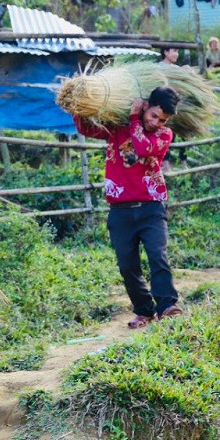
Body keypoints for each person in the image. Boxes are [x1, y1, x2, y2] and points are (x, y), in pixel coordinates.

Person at [68, 87, 184, 329]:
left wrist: (134, 118)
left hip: (151, 208)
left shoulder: (164, 135)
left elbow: (142, 148)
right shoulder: (117, 129)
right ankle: (144, 311)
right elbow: (86, 129)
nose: (156, 122)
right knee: (127, 265)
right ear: (145, 106)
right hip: (120, 210)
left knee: (157, 256)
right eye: (153, 116)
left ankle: (166, 306)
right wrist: (75, 103)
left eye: (162, 119)